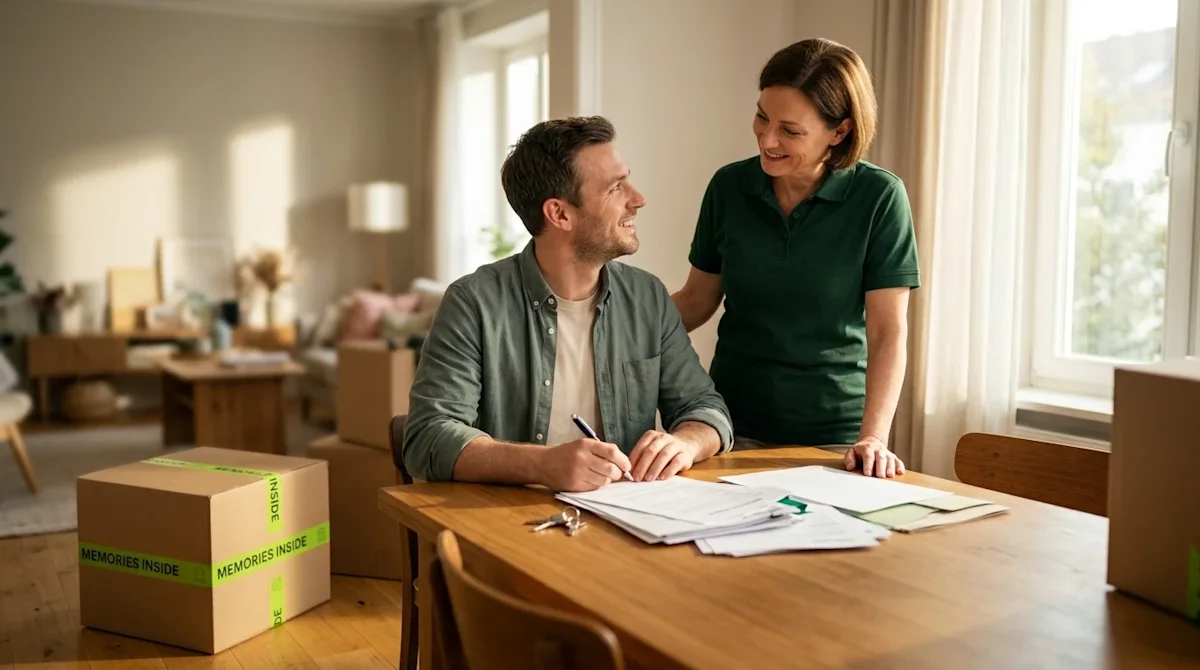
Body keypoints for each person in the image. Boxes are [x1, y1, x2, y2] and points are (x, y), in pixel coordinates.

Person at [403, 116, 734, 492]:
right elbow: (427, 437)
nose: (637, 199)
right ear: (560, 213)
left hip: (623, 520)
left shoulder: (648, 298)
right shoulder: (473, 303)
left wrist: (686, 442)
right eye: (615, 188)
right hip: (510, 525)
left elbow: (706, 408)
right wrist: (542, 464)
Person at [671, 38, 919, 479]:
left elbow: (888, 331)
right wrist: (610, 331)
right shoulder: (729, 188)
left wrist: (873, 438)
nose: (768, 139)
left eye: (791, 130)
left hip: (835, 438)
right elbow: (696, 299)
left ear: (839, 131)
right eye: (762, 117)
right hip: (730, 429)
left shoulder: (879, 197)